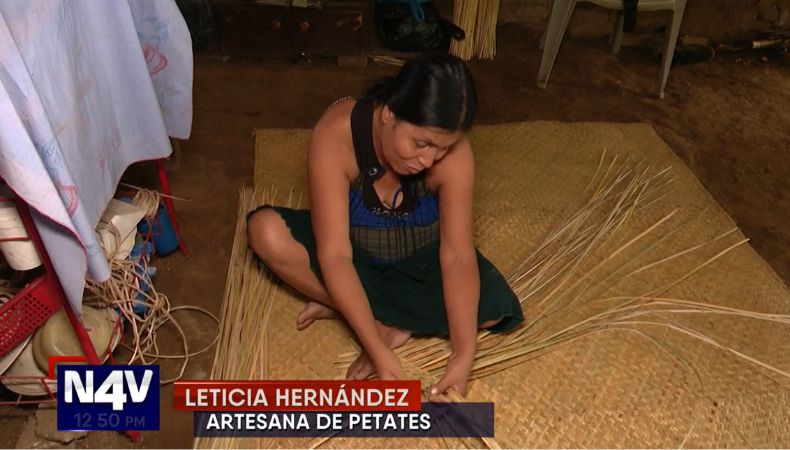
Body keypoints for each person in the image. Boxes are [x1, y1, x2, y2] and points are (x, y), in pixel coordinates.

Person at [247, 53, 523, 398]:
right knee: (266, 232)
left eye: (442, 148)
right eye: (420, 143)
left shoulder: (454, 155)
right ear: (390, 112)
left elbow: (456, 256)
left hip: (422, 263)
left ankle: (372, 314)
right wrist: (378, 350)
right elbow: (334, 255)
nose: (428, 159)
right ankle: (377, 322)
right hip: (354, 255)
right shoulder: (337, 133)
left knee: (490, 312)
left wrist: (464, 353)